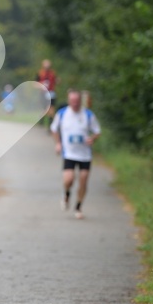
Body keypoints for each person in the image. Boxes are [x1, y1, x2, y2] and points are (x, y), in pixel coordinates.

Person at [50, 90, 101, 219]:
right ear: (69, 101)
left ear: (80, 101)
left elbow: (97, 131)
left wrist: (92, 139)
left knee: (83, 180)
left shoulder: (88, 114)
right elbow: (54, 129)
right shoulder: (62, 114)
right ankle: (66, 194)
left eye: (77, 101)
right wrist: (58, 143)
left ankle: (78, 206)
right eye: (72, 101)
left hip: (85, 154)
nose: (75, 104)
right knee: (69, 180)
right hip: (69, 153)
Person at [36, 59, 59, 126]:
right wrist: (41, 85)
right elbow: (35, 83)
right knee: (44, 108)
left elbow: (56, 81)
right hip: (43, 93)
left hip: (51, 93)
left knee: (51, 108)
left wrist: (57, 81)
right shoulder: (40, 73)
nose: (47, 67)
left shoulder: (52, 73)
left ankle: (50, 123)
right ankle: (42, 120)